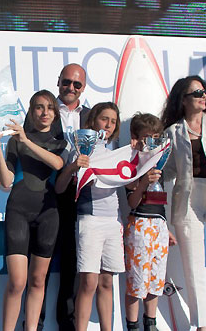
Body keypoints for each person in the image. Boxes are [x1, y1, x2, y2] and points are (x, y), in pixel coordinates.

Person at [0, 90, 68, 331]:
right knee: (17, 281)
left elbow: (57, 164)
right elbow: (6, 181)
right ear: (31, 111)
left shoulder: (60, 143)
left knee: (38, 280)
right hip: (18, 211)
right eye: (39, 107)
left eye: (49, 108)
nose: (45, 112)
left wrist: (27, 141)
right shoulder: (16, 140)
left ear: (55, 114)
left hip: (48, 214)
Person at [23, 63, 90, 330]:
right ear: (58, 81)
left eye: (77, 84)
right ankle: (33, 323)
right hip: (46, 194)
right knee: (40, 263)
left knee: (73, 262)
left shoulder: (91, 117)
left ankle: (67, 323)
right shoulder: (44, 111)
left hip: (80, 195)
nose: (70, 88)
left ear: (83, 88)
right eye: (66, 82)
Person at [161, 75, 206, 331]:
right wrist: (145, 168)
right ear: (183, 99)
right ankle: (202, 326)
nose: (203, 96)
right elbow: (167, 171)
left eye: (203, 91)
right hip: (187, 202)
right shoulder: (172, 132)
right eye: (196, 92)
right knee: (193, 269)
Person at [55, 102, 123, 331]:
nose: (109, 125)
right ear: (93, 120)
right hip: (89, 220)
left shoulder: (115, 153)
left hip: (113, 221)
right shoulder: (78, 149)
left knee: (106, 282)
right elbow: (60, 187)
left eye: (113, 121)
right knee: (88, 282)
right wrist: (73, 167)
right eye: (105, 119)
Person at [124, 113, 177, 331]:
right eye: (148, 138)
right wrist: (144, 180)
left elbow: (160, 202)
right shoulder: (129, 165)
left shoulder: (160, 164)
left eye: (157, 137)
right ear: (136, 139)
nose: (153, 143)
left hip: (159, 226)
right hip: (139, 225)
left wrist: (166, 228)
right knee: (137, 283)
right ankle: (133, 326)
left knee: (156, 282)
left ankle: (151, 324)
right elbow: (132, 202)